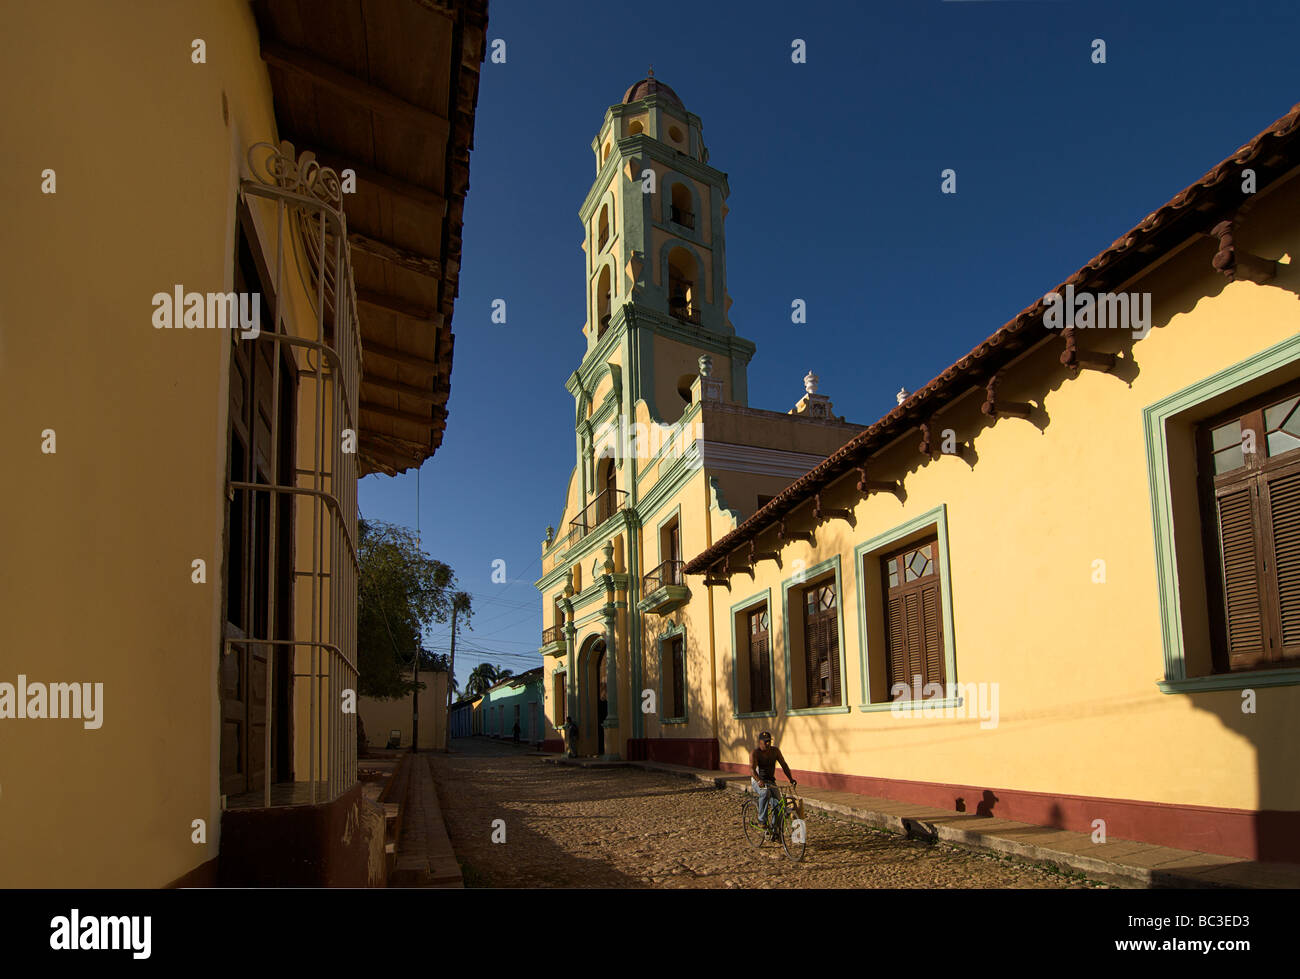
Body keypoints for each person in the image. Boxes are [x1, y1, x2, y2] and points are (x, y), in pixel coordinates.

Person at [750, 731, 795, 840]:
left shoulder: (775, 751)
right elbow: (752, 770)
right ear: (759, 742)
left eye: (769, 742)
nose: (767, 744)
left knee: (778, 805)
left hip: (770, 781)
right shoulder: (755, 753)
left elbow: (784, 765)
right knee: (765, 792)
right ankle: (762, 820)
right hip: (757, 780)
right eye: (765, 742)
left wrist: (791, 779)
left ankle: (775, 831)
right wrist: (759, 780)